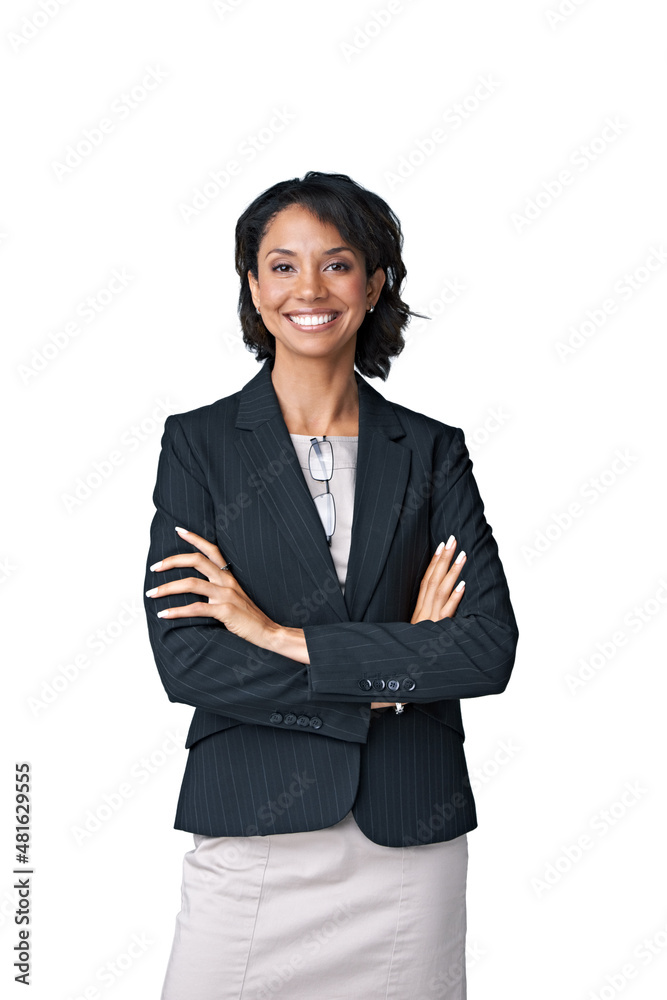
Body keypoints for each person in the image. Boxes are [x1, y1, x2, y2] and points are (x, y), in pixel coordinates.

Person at [143, 170, 519, 1000]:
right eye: (281, 265)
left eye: (337, 263)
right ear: (250, 283)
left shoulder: (429, 450)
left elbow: (485, 649)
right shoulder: (199, 445)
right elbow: (190, 662)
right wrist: (389, 678)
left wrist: (279, 636)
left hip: (407, 844)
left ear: (376, 281)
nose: (308, 289)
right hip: (252, 828)